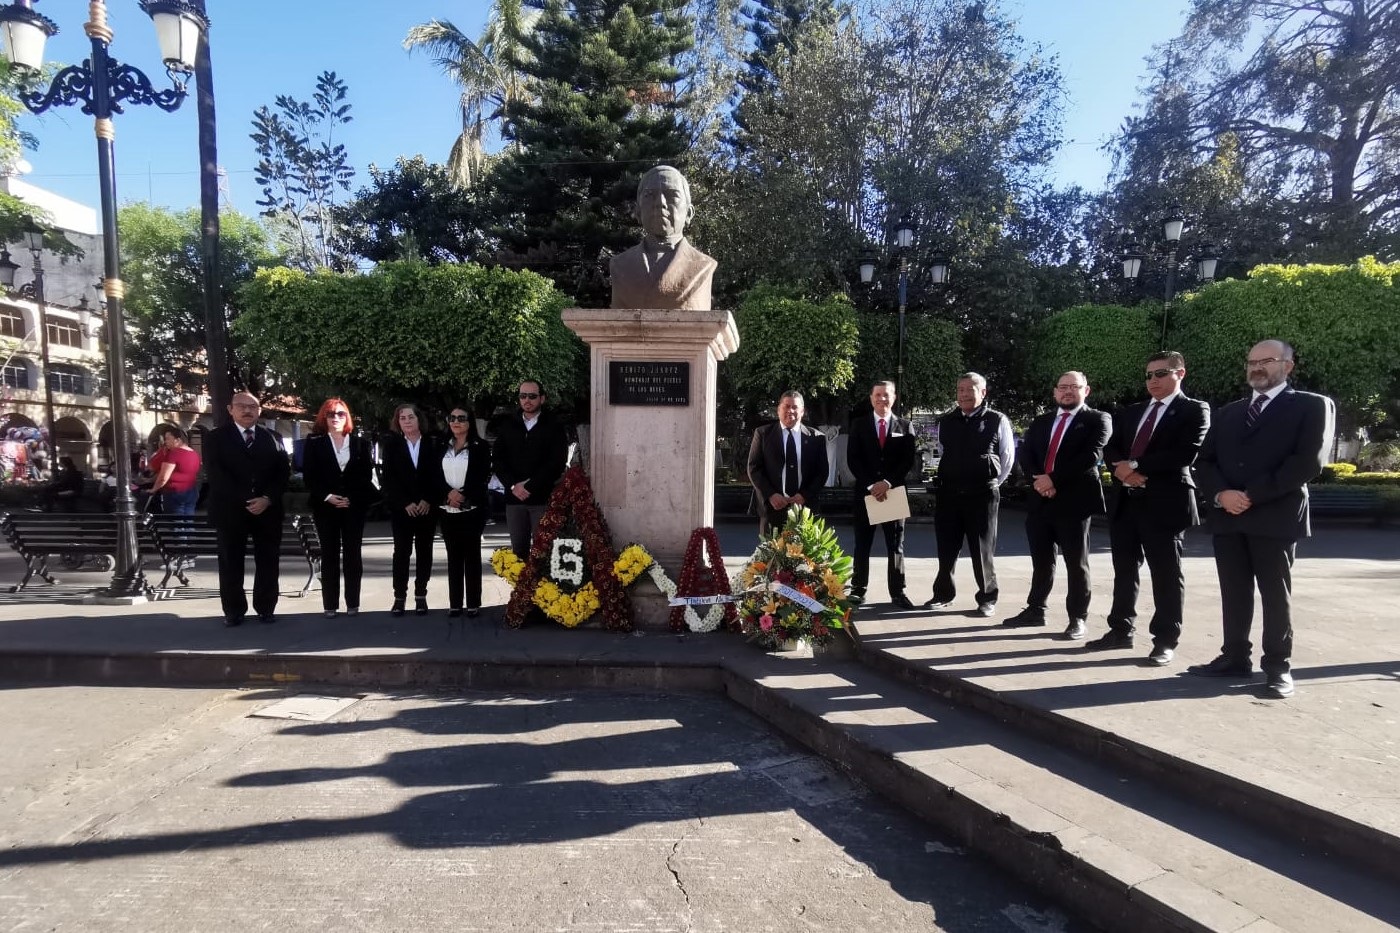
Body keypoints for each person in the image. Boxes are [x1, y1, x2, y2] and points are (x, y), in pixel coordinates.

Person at [1191, 340, 1334, 699]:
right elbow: (1205, 461)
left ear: (1288, 366)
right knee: (1234, 592)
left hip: (1275, 514)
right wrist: (1222, 494)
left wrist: (1251, 495)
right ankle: (1234, 656)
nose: (1257, 367)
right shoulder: (1230, 412)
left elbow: (1307, 462)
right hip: (1228, 517)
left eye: (1266, 361)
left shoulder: (1312, 406)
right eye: (1251, 361)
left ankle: (1278, 667)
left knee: (1274, 594)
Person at [1089, 352, 1210, 666]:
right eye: (1148, 375)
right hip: (1126, 503)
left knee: (1166, 575)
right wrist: (1123, 469)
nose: (1152, 381)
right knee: (1124, 571)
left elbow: (1185, 452)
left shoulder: (1194, 410)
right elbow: (1112, 446)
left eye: (1160, 373)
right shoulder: (1132, 412)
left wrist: (1135, 466)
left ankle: (1165, 640)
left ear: (1180, 373)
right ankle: (1120, 630)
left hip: (1165, 504)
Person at [1004, 371, 1112, 639]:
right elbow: (1026, 454)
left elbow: (1091, 456)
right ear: (1055, 392)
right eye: (1062, 387)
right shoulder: (1041, 421)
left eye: (1073, 387)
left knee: (1077, 563)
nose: (1067, 392)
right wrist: (1038, 481)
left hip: (1074, 502)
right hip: (1041, 500)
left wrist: (1053, 480)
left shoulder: (1098, 419)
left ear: (1085, 391)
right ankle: (1035, 609)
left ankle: (1077, 618)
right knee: (1041, 560)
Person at [925, 372, 1015, 617]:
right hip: (949, 494)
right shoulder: (946, 421)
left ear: (983, 392)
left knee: (982, 549)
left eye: (970, 389)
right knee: (946, 547)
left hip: (982, 495)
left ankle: (987, 598)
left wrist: (990, 482)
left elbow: (1007, 458)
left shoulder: (997, 420)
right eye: (960, 389)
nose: (964, 394)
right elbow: (941, 453)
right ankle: (943, 594)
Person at [204, 392, 290, 627]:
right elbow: (216, 474)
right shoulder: (215, 438)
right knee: (231, 561)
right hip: (230, 510)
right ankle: (233, 610)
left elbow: (282, 472)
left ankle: (266, 607)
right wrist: (246, 499)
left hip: (267, 510)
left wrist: (267, 498)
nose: (247, 410)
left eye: (253, 406)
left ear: (260, 411)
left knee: (268, 560)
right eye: (241, 406)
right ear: (230, 409)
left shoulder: (273, 437)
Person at [302, 399, 377, 619]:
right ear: (323, 418)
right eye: (331, 414)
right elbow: (309, 475)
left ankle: (353, 603)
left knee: (353, 554)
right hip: (325, 507)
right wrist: (328, 496)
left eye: (341, 414)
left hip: (353, 507)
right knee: (330, 554)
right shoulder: (314, 442)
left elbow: (365, 476)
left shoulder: (360, 443)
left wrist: (350, 498)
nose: (336, 418)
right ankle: (330, 605)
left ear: (347, 417)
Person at [847, 380, 918, 609]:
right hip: (866, 494)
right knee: (862, 545)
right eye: (878, 395)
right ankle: (858, 590)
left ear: (894, 398)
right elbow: (853, 459)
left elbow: (907, 460)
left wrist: (887, 483)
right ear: (871, 398)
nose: (882, 399)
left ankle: (898, 592)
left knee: (895, 545)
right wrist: (871, 485)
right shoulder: (858, 425)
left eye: (886, 395)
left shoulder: (905, 426)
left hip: (893, 492)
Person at [609, 165, 718, 311]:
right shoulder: (620, 265)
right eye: (649, 195)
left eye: (672, 195)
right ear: (638, 212)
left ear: (689, 213)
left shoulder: (703, 265)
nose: (660, 202)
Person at [493, 380, 569, 559]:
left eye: (532, 396)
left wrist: (530, 486)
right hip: (514, 500)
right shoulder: (508, 424)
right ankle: (521, 588)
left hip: (541, 499)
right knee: (518, 553)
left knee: (543, 553)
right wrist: (513, 486)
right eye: (523, 396)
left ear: (542, 398)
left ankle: (543, 588)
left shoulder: (554, 426)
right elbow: (498, 459)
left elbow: (557, 462)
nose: (527, 400)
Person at [380, 403, 443, 617]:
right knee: (402, 553)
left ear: (419, 419)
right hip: (403, 509)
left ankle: (420, 596)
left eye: (410, 417)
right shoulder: (392, 444)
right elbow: (388, 478)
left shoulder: (432, 443)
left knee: (424, 552)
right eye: (402, 418)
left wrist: (428, 500)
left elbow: (437, 475)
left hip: (427, 508)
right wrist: (404, 502)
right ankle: (399, 597)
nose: (406, 421)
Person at [746, 390, 829, 537]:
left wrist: (804, 495)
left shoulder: (817, 438)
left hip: (805, 508)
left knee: (805, 558)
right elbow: (754, 468)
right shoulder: (763, 434)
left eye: (795, 407)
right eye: (786, 406)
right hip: (773, 508)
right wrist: (771, 495)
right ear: (778, 410)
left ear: (802, 411)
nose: (790, 410)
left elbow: (821, 472)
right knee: (771, 558)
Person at [438, 406, 492, 618]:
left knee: (471, 555)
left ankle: (473, 603)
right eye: (452, 418)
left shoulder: (480, 446)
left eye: (461, 418)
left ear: (469, 422)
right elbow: (433, 474)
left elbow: (481, 476)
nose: (456, 421)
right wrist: (448, 494)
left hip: (471, 508)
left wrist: (462, 495)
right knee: (453, 557)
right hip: (446, 507)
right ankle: (455, 603)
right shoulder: (441, 446)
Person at [146, 426, 202, 516]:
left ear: (177, 440)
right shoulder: (194, 454)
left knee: (175, 523)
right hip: (191, 491)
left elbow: (163, 477)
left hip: (175, 493)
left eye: (168, 439)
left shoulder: (174, 453)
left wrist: (153, 489)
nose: (165, 442)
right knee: (188, 521)